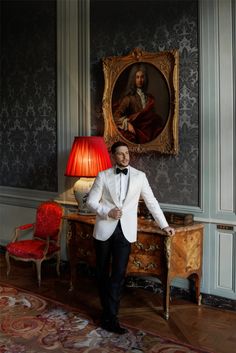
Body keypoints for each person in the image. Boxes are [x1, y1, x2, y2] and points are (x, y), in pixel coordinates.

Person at [86, 141, 175, 335]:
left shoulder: (139, 177)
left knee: (118, 275)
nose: (125, 157)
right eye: (120, 154)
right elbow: (91, 202)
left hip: (125, 232)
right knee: (101, 274)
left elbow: (152, 202)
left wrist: (164, 225)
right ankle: (106, 312)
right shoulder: (103, 175)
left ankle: (111, 318)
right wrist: (107, 211)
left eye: (127, 153)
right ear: (113, 156)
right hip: (104, 230)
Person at [113, 64, 164, 144]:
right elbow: (115, 117)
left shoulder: (149, 98)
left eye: (142, 77)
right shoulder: (128, 98)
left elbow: (151, 118)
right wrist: (127, 123)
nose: (140, 80)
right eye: (137, 77)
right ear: (133, 79)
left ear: (145, 78)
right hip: (136, 132)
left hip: (149, 132)